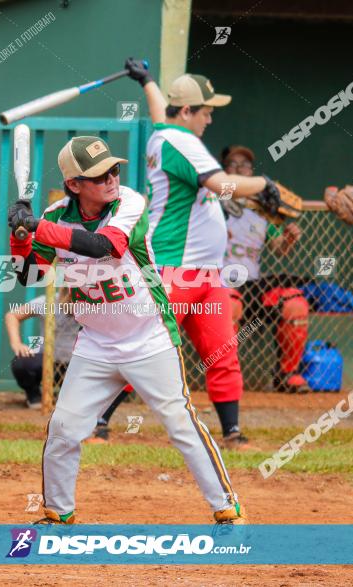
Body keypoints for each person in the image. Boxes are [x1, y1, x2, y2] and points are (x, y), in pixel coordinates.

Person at [7, 136, 245, 524]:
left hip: (149, 335)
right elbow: (29, 274)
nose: (111, 178)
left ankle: (226, 506)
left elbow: (105, 246)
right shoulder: (54, 216)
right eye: (99, 175)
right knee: (64, 427)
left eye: (113, 169)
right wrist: (19, 239)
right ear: (74, 185)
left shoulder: (130, 203)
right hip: (97, 342)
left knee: (180, 422)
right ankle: (58, 512)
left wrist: (36, 227)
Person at [126, 58, 288, 450]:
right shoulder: (181, 142)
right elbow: (221, 186)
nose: (209, 121)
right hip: (173, 271)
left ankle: (232, 432)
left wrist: (146, 80)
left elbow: (157, 112)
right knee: (144, 350)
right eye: (205, 112)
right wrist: (261, 182)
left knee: (222, 352)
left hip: (207, 275)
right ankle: (97, 422)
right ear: (186, 112)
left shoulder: (163, 133)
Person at [219, 145, 311, 394]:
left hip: (253, 285)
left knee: (294, 302)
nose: (240, 169)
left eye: (245, 165)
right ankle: (225, 373)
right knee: (230, 303)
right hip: (220, 284)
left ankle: (287, 374)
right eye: (233, 165)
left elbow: (279, 248)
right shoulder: (212, 205)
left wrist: (289, 238)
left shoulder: (262, 212)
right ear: (224, 171)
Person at [5, 288, 81, 408]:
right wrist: (16, 343)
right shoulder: (48, 302)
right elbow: (12, 316)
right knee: (21, 363)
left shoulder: (93, 305)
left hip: (77, 365)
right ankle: (34, 396)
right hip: (48, 362)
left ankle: (72, 399)